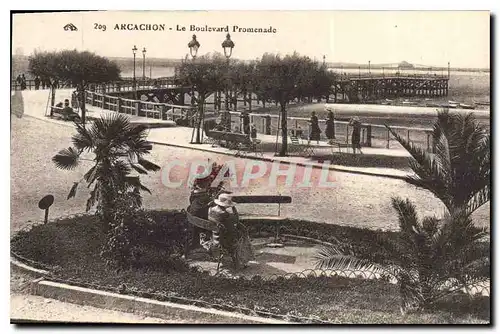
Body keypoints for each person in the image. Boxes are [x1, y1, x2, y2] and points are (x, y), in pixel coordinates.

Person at [208, 193, 254, 270]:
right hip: (225, 242)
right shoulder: (225, 214)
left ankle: (241, 260)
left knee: (240, 234)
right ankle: (241, 262)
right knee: (243, 237)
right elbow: (235, 222)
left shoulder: (211, 210)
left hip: (215, 238)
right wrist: (234, 209)